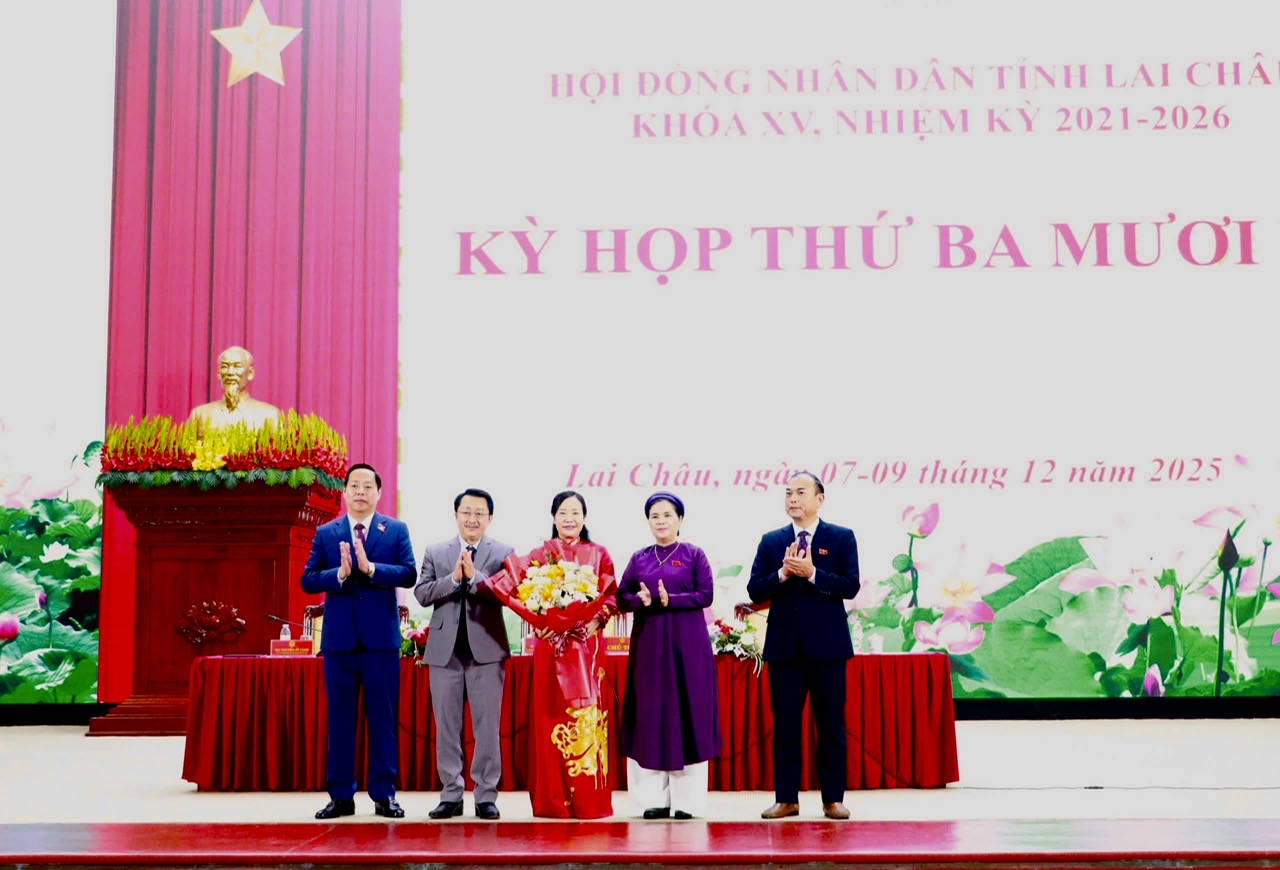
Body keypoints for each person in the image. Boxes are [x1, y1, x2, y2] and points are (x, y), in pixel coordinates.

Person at [301, 463, 417, 820]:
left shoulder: (394, 530)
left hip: (381, 642)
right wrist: (339, 574)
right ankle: (341, 797)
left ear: (379, 493)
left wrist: (370, 569)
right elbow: (308, 579)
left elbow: (409, 573)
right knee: (340, 721)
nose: (361, 492)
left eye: (368, 486)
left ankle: (384, 795)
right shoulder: (327, 532)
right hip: (339, 642)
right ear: (344, 492)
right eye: (355, 485)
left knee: (383, 720)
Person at [496, 490, 618, 819]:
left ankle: (589, 801)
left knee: (586, 717)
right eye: (563, 512)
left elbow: (611, 597)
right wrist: (539, 626)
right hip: (550, 648)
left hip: (586, 647)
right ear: (553, 517)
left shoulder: (599, 553)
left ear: (584, 517)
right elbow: (524, 596)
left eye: (576, 512)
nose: (569, 518)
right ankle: (553, 800)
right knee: (550, 716)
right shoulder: (540, 555)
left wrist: (595, 621)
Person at [747, 470, 859, 820]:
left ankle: (833, 799)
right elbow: (755, 589)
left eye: (800, 492)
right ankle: (786, 799)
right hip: (784, 648)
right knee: (785, 728)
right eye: (788, 493)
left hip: (828, 648)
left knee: (831, 727)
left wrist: (812, 573)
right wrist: (782, 574)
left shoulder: (841, 537)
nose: (793, 499)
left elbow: (850, 585)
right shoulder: (771, 541)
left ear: (819, 499)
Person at [617, 491, 721, 820]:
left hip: (687, 648)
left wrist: (670, 600)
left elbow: (706, 595)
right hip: (648, 648)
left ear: (680, 520)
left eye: (667, 515)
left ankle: (688, 802)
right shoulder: (639, 558)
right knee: (650, 715)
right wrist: (641, 601)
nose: (661, 521)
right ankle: (652, 800)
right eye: (654, 516)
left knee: (688, 713)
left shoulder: (694, 554)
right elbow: (621, 597)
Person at [414, 488, 514, 821]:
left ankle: (486, 796)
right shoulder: (436, 551)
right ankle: (451, 795)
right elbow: (422, 593)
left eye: (479, 513)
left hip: (486, 650)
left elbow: (509, 593)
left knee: (487, 729)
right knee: (446, 728)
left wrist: (475, 578)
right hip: (444, 652)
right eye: (466, 512)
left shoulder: (503, 552)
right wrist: (454, 578)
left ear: (490, 518)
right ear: (456, 515)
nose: (472, 519)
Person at [187, 345, 283, 437]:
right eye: (224, 367)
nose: (230, 372)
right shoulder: (199, 414)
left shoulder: (269, 415)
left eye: (237, 366)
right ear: (218, 373)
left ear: (250, 373)